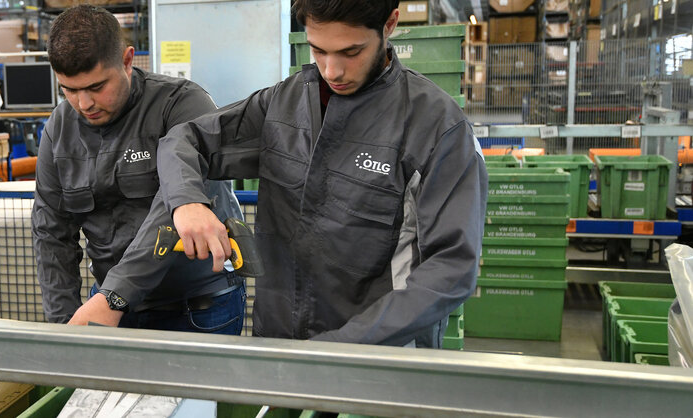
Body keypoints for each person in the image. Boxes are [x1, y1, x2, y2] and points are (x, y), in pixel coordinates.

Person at [87, 0, 488, 347]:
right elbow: (183, 140)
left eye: (351, 52)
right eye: (318, 49)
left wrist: (342, 347)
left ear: (390, 25)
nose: (332, 70)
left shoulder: (436, 129)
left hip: (378, 359)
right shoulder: (284, 105)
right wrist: (187, 202)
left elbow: (450, 270)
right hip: (278, 345)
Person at [32, 5, 246, 334]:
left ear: (128, 60)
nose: (84, 104)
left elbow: (171, 211)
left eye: (96, 87)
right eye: (70, 90)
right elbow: (52, 233)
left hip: (198, 306)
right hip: (109, 307)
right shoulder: (59, 130)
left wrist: (115, 296)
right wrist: (64, 327)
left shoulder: (182, 106)